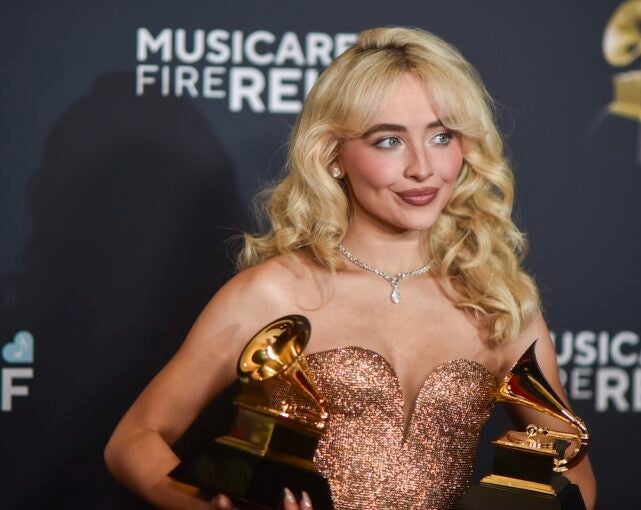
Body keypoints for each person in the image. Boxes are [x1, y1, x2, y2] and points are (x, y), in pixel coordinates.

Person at [105, 26, 597, 510]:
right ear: (333, 155)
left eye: (442, 136)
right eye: (389, 141)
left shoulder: (497, 302)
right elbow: (135, 439)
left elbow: (572, 468)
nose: (422, 168)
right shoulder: (273, 294)